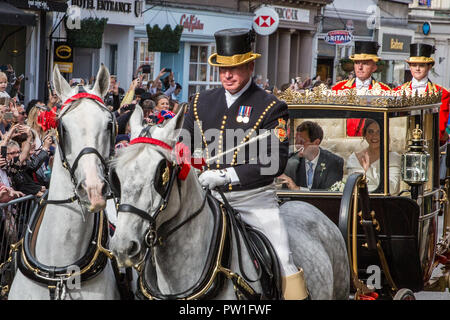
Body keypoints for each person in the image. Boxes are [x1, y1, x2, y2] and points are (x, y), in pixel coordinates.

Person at [182, 28, 308, 300]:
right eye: (223, 68)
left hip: (253, 202)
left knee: (283, 257)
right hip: (205, 200)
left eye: (236, 68)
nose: (227, 75)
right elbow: (184, 147)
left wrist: (225, 175)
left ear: (250, 66)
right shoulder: (197, 103)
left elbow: (274, 161)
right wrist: (193, 163)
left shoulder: (273, 107)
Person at [394, 43, 450, 145]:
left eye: (421, 65)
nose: (417, 69)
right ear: (410, 67)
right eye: (414, 65)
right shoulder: (397, 92)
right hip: (401, 143)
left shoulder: (442, 94)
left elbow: (440, 128)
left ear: (429, 67)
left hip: (429, 144)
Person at [332, 41, 391, 137]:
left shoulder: (384, 91)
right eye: (357, 63)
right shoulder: (338, 89)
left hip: (374, 140)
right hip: (344, 141)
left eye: (365, 63)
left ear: (374, 67)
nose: (360, 67)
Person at [279, 121, 344, 190]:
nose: (297, 145)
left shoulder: (334, 162)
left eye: (302, 141)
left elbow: (331, 194)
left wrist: (298, 189)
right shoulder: (290, 162)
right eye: (296, 140)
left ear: (316, 142)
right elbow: (286, 194)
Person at [346, 119, 401, 194]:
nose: (374, 136)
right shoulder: (354, 158)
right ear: (365, 134)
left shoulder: (393, 158)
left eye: (379, 132)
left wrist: (368, 170)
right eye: (370, 132)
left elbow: (392, 189)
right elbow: (353, 188)